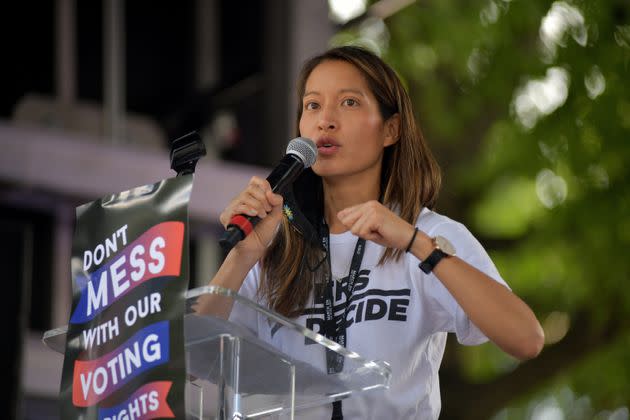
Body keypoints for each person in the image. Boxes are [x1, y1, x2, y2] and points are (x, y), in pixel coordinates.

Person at [195, 45, 544, 419]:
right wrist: (243, 255)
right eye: (312, 105)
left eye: (348, 103)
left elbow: (526, 339)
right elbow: (197, 359)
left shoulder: (427, 233)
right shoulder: (276, 244)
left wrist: (416, 244)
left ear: (390, 129)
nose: (325, 120)